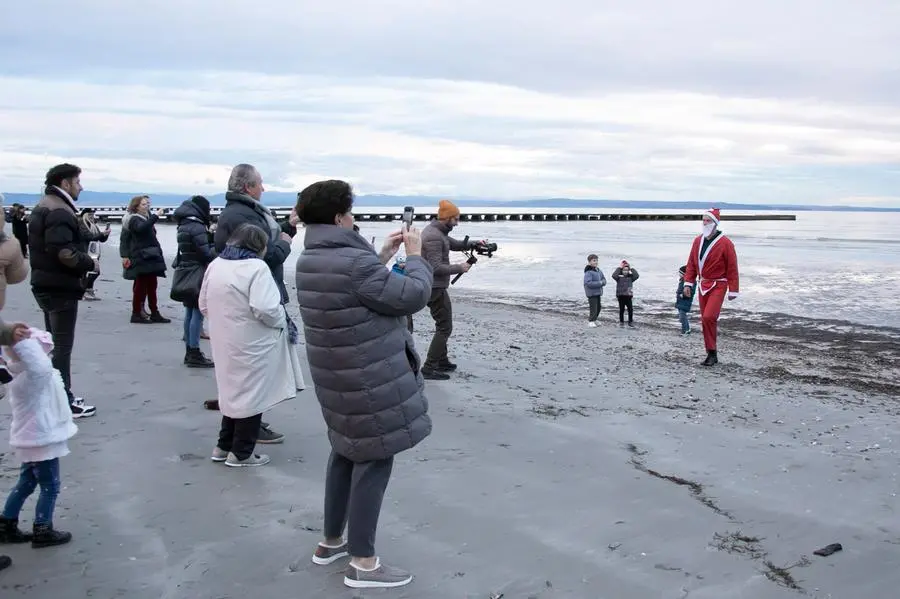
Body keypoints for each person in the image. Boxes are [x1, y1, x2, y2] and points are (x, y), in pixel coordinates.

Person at [294, 179, 433, 590]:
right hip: (368, 377)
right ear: (340, 218)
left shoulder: (311, 257)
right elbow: (410, 296)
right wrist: (415, 256)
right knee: (373, 459)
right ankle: (364, 563)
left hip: (337, 375)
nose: (354, 218)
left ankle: (331, 542)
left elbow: (360, 291)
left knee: (344, 452)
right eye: (351, 212)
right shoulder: (354, 264)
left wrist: (383, 255)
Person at [200, 224, 305, 467]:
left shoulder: (217, 264)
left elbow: (203, 303)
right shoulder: (256, 268)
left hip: (223, 338)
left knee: (231, 392)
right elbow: (266, 308)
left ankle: (223, 446)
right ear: (259, 246)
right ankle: (242, 452)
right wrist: (282, 320)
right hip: (253, 341)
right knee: (251, 395)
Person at [27, 163, 97, 418]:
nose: (81, 186)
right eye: (78, 181)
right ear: (65, 183)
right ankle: (63, 399)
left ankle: (54, 395)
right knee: (61, 346)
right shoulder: (58, 210)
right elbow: (63, 252)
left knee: (53, 343)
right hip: (58, 287)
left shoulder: (46, 205)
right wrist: (89, 262)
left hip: (45, 283)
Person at [0, 328, 77, 550]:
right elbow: (41, 367)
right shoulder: (34, 375)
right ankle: (43, 527)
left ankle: (7, 522)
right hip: (41, 438)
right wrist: (22, 342)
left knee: (26, 481)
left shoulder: (16, 373)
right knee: (50, 485)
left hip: (29, 437)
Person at [214, 164, 293, 305]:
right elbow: (269, 256)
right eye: (260, 183)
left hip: (239, 290)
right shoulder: (245, 216)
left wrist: (289, 225)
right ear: (248, 187)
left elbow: (264, 235)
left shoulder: (238, 211)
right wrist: (285, 244)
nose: (263, 189)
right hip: (254, 293)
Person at [419, 199, 478, 380]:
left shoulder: (439, 231)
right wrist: (460, 268)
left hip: (435, 285)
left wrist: (475, 244)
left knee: (442, 325)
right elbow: (436, 267)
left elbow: (456, 244)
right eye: (456, 219)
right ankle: (429, 367)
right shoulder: (433, 236)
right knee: (445, 327)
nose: (458, 222)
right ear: (447, 218)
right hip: (434, 287)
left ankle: (442, 361)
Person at [682, 208, 740, 366]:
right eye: (703, 220)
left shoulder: (726, 243)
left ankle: (712, 352)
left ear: (715, 223)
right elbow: (692, 264)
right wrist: (688, 283)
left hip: (719, 284)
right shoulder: (697, 241)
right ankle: (711, 352)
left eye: (708, 220)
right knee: (704, 319)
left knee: (709, 317)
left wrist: (733, 289)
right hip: (702, 284)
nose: (704, 223)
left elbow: (732, 267)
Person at [173, 196, 216, 368]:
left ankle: (189, 349)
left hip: (186, 270)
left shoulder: (183, 224)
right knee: (197, 312)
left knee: (189, 312)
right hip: (197, 272)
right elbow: (205, 253)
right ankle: (194, 351)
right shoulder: (197, 226)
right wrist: (217, 245)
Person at [122, 195, 170, 324]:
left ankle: (154, 312)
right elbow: (141, 229)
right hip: (142, 257)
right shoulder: (133, 219)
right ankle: (136, 313)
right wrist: (156, 215)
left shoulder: (145, 217)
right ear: (136, 207)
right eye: (143, 204)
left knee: (152, 286)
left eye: (148, 204)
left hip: (150, 256)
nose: (147, 206)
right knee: (141, 286)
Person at [78, 208, 111, 301]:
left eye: (93, 215)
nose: (92, 217)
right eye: (90, 215)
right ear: (85, 216)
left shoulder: (93, 225)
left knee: (94, 272)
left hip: (93, 252)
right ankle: (84, 292)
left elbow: (101, 239)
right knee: (89, 272)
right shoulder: (81, 224)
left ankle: (88, 291)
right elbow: (89, 237)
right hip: (84, 251)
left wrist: (106, 233)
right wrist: (102, 234)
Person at [391, 256, 415, 333]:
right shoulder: (394, 272)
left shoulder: (406, 271)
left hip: (406, 299)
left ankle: (409, 331)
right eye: (401, 263)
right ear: (397, 263)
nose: (403, 264)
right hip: (398, 299)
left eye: (404, 263)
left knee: (408, 318)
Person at [612, 260, 639, 327]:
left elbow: (637, 275)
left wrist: (631, 268)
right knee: (621, 309)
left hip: (628, 296)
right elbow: (614, 275)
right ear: (621, 271)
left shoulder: (631, 278)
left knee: (630, 309)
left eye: (627, 270)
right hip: (620, 296)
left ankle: (630, 321)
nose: (625, 271)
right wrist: (620, 268)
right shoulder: (618, 278)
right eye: (624, 270)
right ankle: (621, 322)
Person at [583, 253, 606, 327]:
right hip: (591, 293)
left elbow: (604, 279)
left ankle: (595, 319)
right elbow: (588, 283)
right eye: (594, 260)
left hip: (598, 292)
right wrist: (600, 283)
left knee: (599, 307)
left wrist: (603, 282)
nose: (596, 262)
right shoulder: (588, 272)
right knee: (593, 308)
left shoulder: (598, 270)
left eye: (596, 260)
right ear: (589, 262)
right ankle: (591, 321)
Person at [676, 265, 694, 335]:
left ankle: (686, 330)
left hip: (685, 301)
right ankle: (686, 329)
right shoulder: (682, 280)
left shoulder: (689, 281)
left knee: (682, 317)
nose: (679, 274)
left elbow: (691, 291)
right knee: (682, 317)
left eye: (680, 273)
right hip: (680, 301)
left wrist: (682, 295)